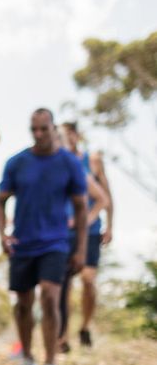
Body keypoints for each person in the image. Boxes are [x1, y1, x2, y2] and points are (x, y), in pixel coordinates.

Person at [0, 109, 102, 365]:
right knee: (23, 304)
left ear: (54, 129)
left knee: (50, 297)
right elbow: (0, 201)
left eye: (44, 129)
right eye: (34, 129)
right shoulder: (17, 162)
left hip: (55, 243)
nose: (39, 134)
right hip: (23, 243)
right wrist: (2, 235)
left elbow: (81, 208)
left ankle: (50, 363)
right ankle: (27, 357)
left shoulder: (69, 163)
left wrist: (80, 249)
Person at [58, 121, 113, 351]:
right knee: (64, 284)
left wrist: (108, 225)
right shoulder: (58, 161)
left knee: (88, 279)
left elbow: (106, 197)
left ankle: (85, 326)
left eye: (69, 134)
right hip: (64, 231)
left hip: (89, 230)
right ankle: (62, 337)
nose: (67, 138)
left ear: (76, 135)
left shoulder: (93, 160)